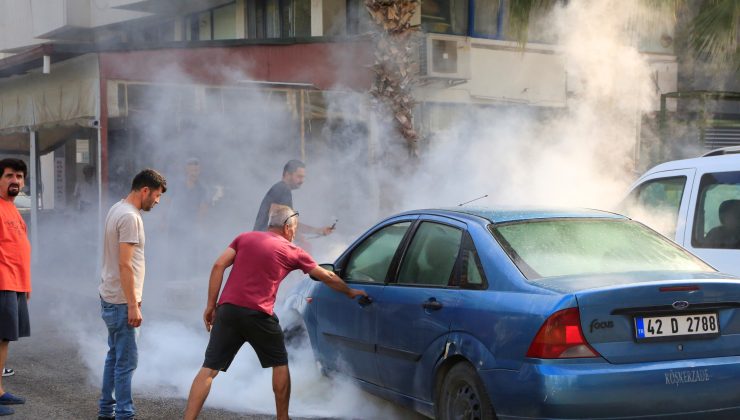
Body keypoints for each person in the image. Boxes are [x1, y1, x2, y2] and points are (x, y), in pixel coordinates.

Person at [184, 205, 367, 420]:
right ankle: (282, 417)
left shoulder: (244, 238)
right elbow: (327, 276)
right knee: (279, 363)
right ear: (288, 227)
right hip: (258, 314)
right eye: (295, 228)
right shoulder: (293, 251)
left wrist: (210, 305)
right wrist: (350, 291)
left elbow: (218, 266)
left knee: (209, 369)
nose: (295, 233)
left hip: (228, 310)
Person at [97, 169, 167, 420]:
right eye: (157, 196)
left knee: (114, 357)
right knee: (126, 363)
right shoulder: (130, 217)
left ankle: (106, 411)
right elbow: (125, 264)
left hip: (110, 297)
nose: (157, 201)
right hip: (121, 301)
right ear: (145, 190)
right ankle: (124, 414)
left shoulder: (117, 208)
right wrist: (132, 305)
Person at [0, 159, 32, 416]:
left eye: (19, 176)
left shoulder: (12, 208)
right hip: (2, 282)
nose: (15, 180)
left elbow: (19, 250)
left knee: (4, 339)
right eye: (9, 175)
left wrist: (25, 285)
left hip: (14, 283)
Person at [253, 160, 334, 237]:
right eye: (299, 176)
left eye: (303, 177)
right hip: (264, 243)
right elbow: (281, 221)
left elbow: (288, 222)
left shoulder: (280, 188)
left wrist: (318, 231)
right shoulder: (283, 189)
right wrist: (300, 238)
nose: (302, 181)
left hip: (261, 242)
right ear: (287, 174)